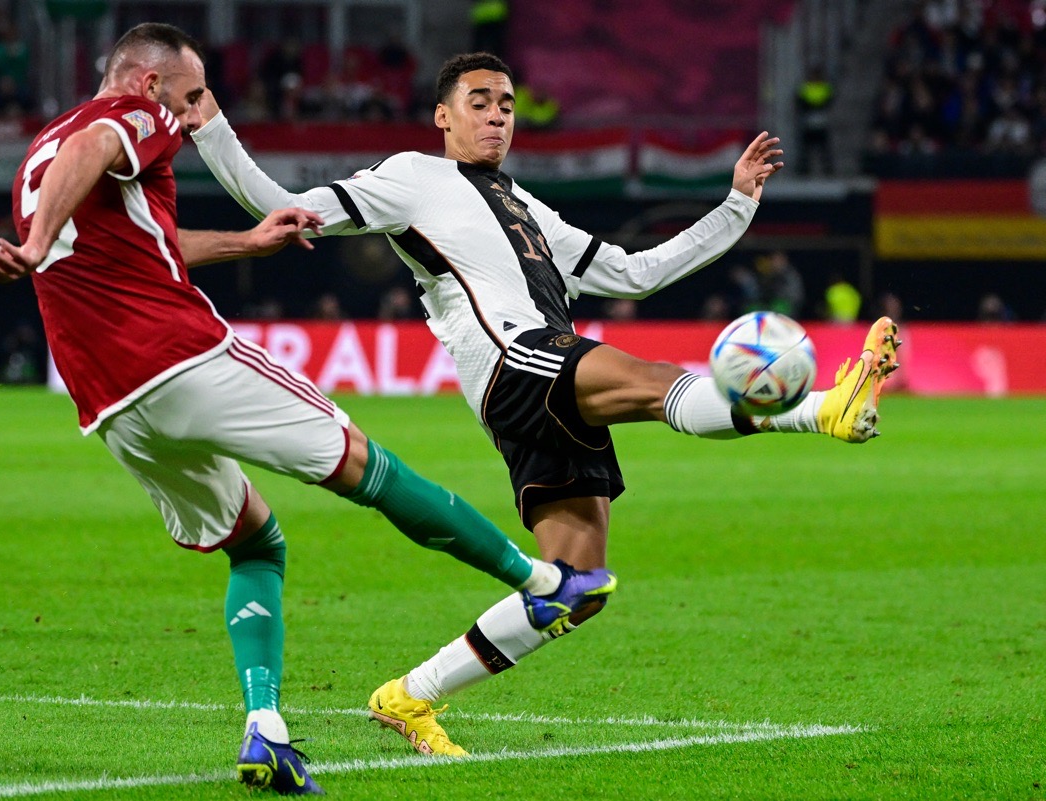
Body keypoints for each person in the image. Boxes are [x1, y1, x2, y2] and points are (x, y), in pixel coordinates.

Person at [191, 51, 901, 757]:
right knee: (652, 382)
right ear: (443, 115)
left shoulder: (525, 205)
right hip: (513, 360)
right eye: (479, 101)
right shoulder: (411, 178)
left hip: (544, 378)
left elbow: (635, 272)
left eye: (505, 103)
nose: (497, 114)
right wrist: (212, 124)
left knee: (577, 584)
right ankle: (820, 410)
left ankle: (410, 695)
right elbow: (274, 202)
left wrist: (737, 203)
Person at [0, 28, 615, 795]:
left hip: (111, 402)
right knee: (364, 465)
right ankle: (541, 581)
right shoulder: (130, 115)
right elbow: (108, 137)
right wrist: (36, 245)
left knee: (257, 544)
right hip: (182, 357)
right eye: (191, 93)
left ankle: (264, 731)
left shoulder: (42, 148)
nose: (195, 109)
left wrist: (247, 241)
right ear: (148, 82)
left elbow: (152, 243)